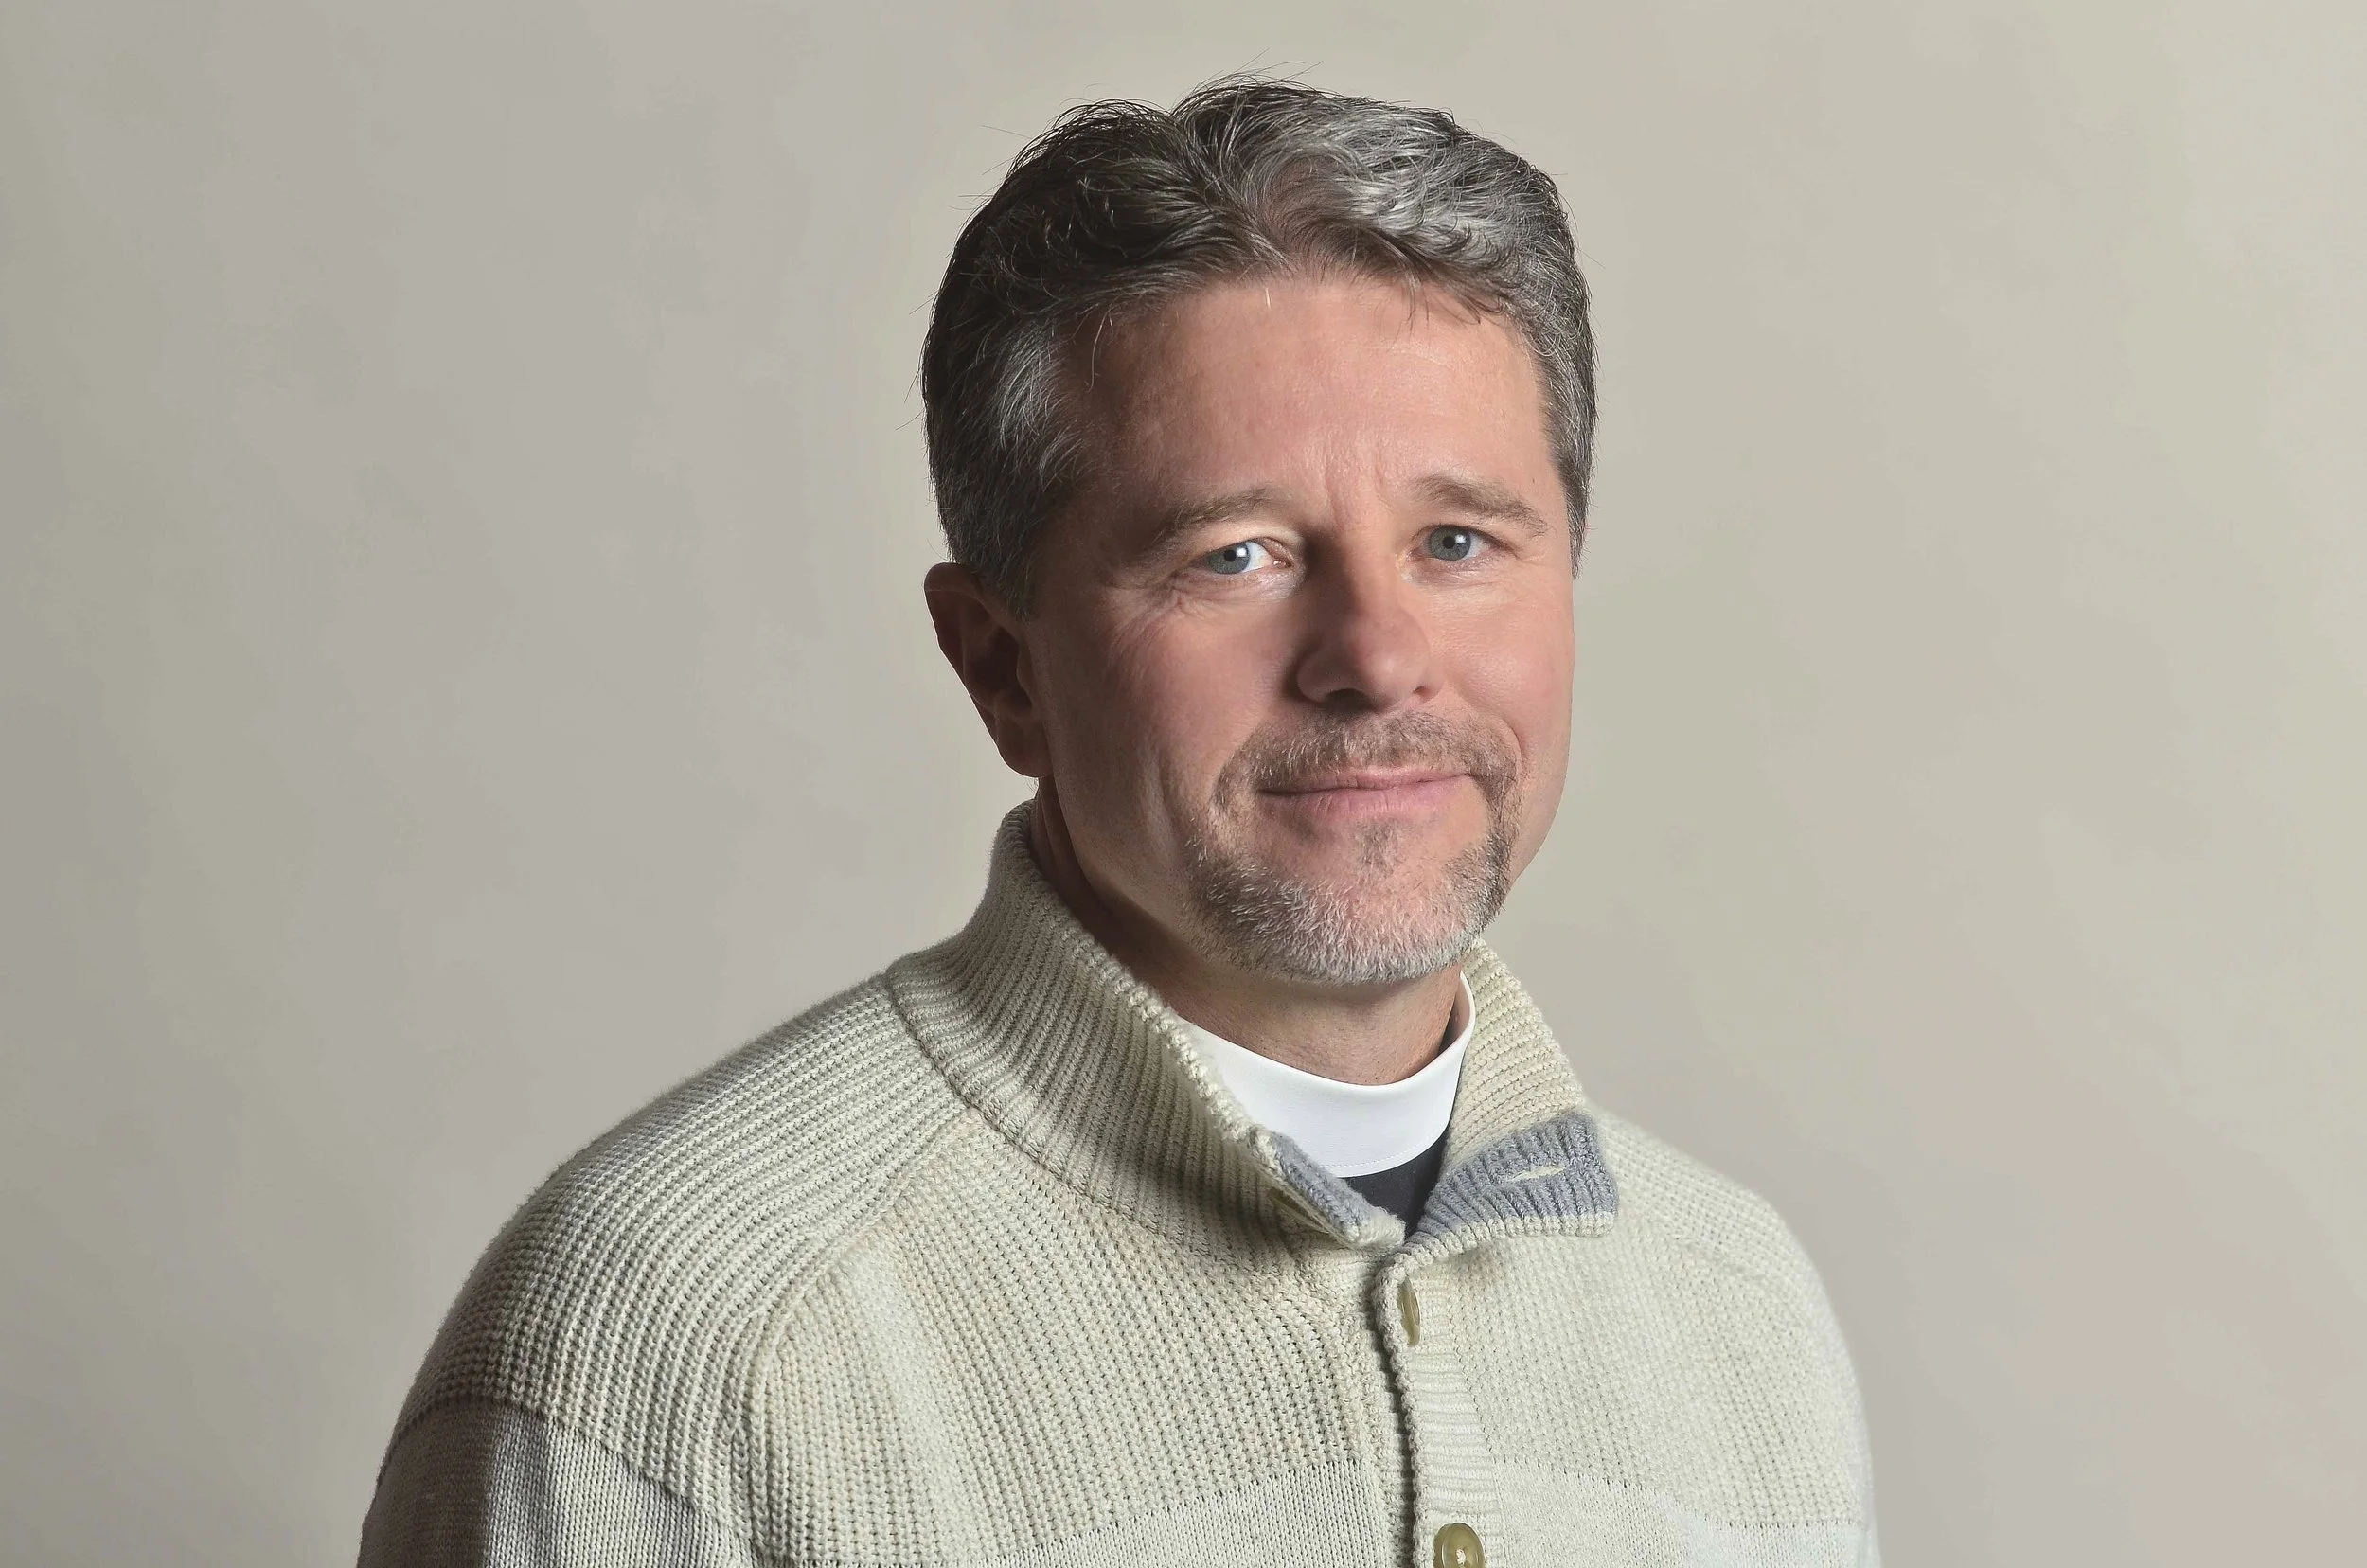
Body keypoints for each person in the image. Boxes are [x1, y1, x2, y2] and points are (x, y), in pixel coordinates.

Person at [358, 76, 1878, 1568]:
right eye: (1236, 556)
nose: (1377, 656)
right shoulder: (685, 1345)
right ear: (1003, 666)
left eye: (1460, 541)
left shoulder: (1736, 1310)